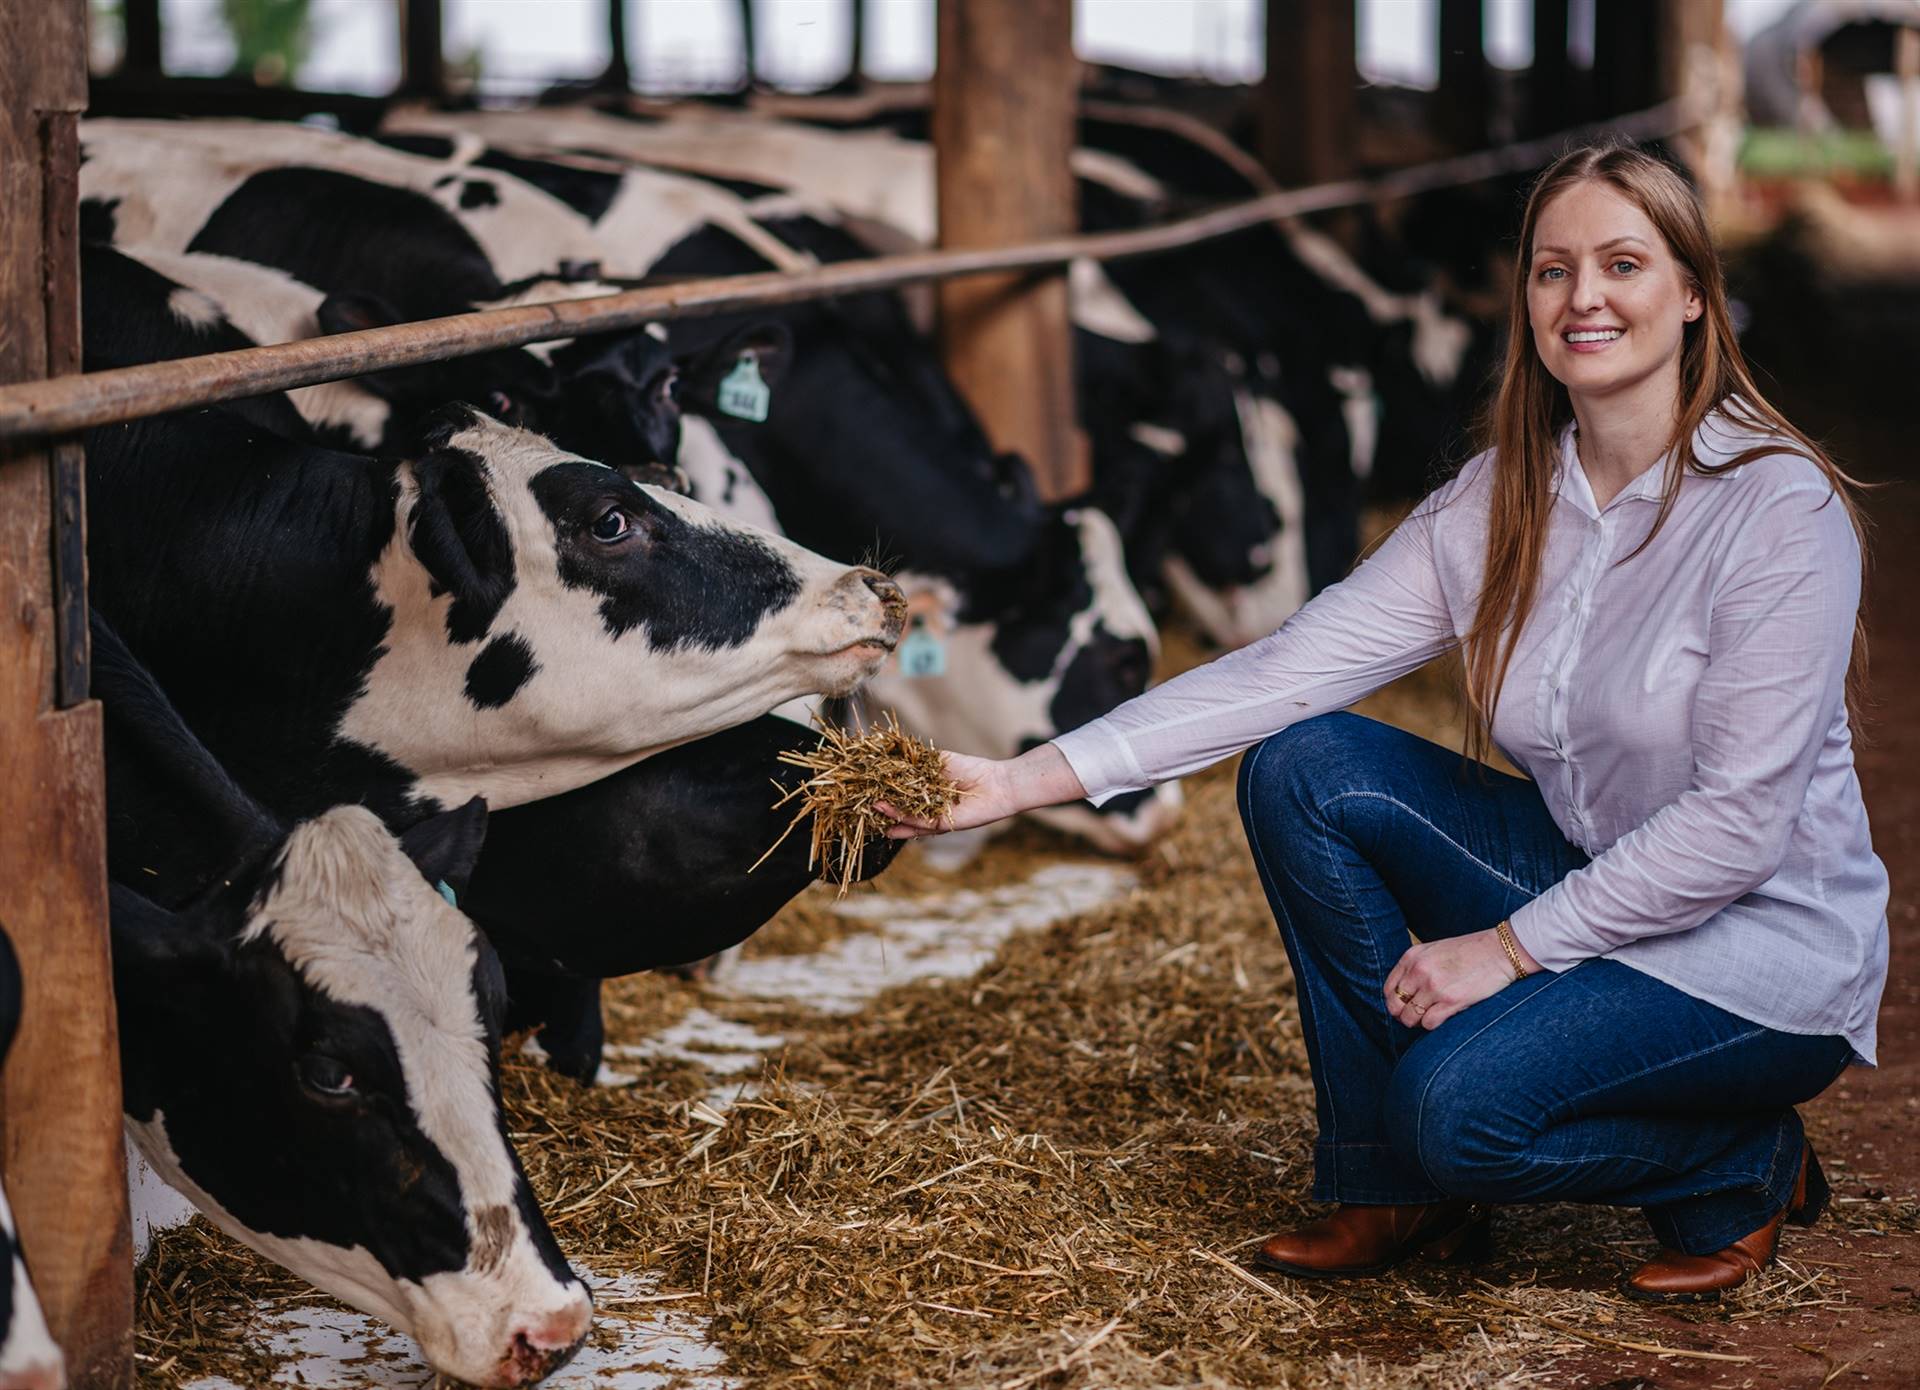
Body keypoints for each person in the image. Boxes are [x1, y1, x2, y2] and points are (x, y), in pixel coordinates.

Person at [881, 142, 1888, 1301]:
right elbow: (1285, 671)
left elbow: (1740, 828)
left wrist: (1505, 950)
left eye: (1624, 263)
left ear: (1694, 293)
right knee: (1306, 764)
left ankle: (1739, 1159)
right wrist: (1014, 783)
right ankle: (1388, 1182)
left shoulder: (1771, 507)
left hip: (1758, 948)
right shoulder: (1501, 499)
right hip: (1595, 875)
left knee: (1457, 1113)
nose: (1585, 297)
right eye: (1553, 270)